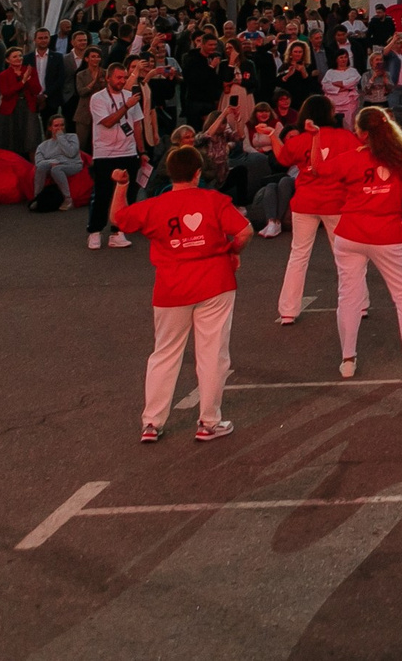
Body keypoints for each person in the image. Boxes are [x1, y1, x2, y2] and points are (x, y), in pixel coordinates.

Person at [107, 144, 250, 444]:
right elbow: (245, 230)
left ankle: (152, 422)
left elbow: (119, 218)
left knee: (165, 353)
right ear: (198, 173)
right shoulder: (212, 200)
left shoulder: (156, 206)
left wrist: (121, 187)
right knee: (212, 354)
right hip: (214, 281)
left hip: (171, 286)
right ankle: (209, 422)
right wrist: (231, 251)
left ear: (170, 173)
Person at [326, 106, 402, 380]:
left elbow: (320, 172)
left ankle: (348, 360)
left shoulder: (350, 159)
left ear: (362, 133)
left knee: (348, 297)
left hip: (350, 233)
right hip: (387, 234)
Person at [273, 95, 360, 324]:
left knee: (298, 255)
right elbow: (359, 162)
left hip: (305, 202)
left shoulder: (300, 140)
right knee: (345, 256)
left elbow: (282, 158)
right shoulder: (345, 137)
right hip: (336, 202)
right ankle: (358, 304)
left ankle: (288, 310)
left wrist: (272, 135)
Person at [86, 64, 149, 251]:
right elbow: (107, 122)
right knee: (103, 194)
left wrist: (142, 151)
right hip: (105, 153)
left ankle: (117, 231)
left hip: (128, 152)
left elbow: (137, 125)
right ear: (108, 78)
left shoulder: (130, 97)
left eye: (124, 78)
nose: (121, 81)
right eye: (118, 78)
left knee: (125, 195)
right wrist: (126, 107)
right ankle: (95, 231)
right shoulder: (98, 98)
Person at [34, 114, 84, 205]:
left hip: (72, 164)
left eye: (62, 125)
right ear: (50, 128)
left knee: (56, 169)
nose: (60, 128)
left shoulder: (72, 137)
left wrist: (61, 137)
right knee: (41, 167)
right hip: (53, 164)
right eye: (56, 126)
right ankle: (37, 197)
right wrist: (52, 162)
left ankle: (68, 199)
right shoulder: (43, 146)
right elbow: (38, 162)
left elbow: (71, 153)